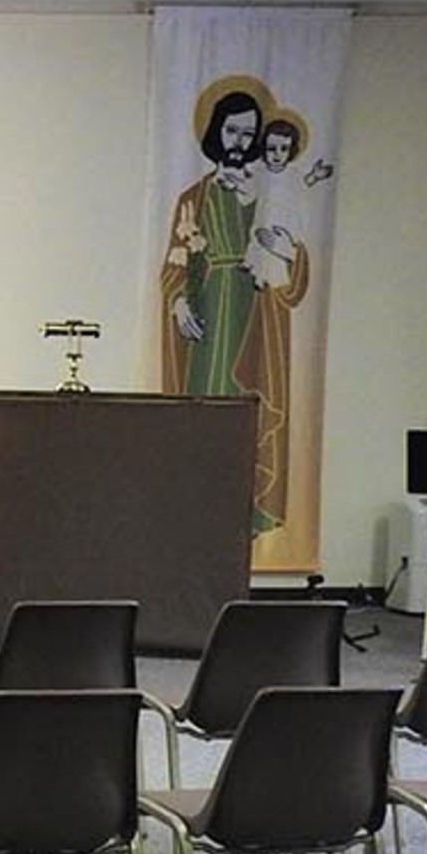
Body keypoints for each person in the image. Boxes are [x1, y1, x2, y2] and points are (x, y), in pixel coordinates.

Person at [160, 88, 310, 536]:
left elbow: (297, 261)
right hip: (210, 313)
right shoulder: (195, 196)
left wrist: (287, 252)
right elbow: (174, 262)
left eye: (249, 133)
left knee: (251, 412)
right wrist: (179, 301)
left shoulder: (273, 194)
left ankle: (247, 512)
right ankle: (200, 508)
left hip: (258, 312)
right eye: (232, 131)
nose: (240, 142)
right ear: (215, 132)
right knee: (208, 409)